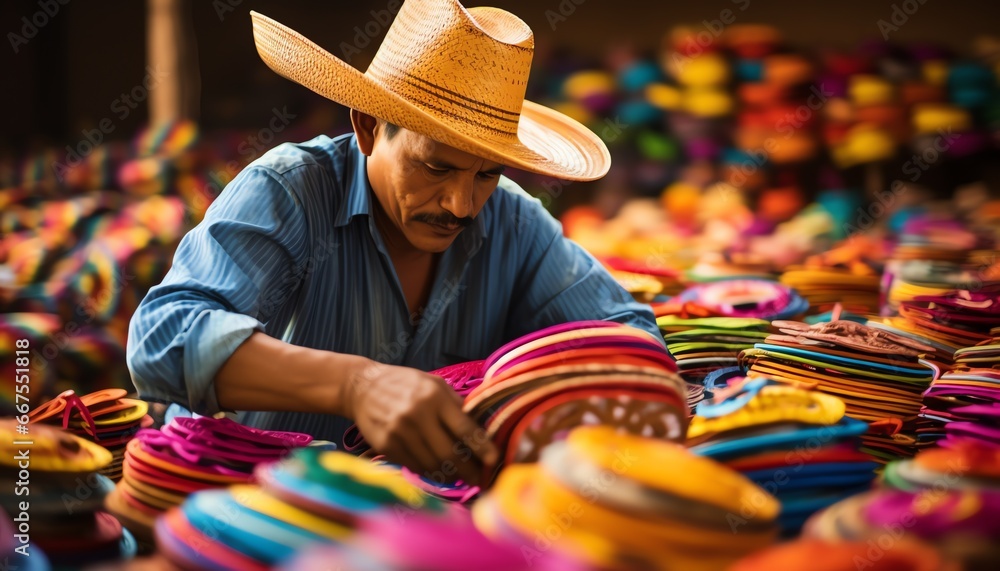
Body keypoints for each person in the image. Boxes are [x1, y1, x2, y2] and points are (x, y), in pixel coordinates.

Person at [126, 0, 662, 485]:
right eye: (435, 166)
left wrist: (510, 401)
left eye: (486, 174)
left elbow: (632, 344)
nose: (461, 204)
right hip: (234, 513)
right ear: (367, 128)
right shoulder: (291, 190)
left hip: (410, 531)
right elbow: (161, 340)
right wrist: (356, 385)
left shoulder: (514, 222)